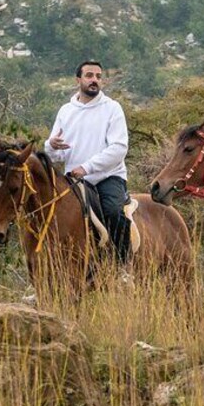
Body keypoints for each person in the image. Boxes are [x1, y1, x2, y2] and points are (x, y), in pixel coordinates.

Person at [45, 60, 131, 263]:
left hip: (107, 178)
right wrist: (51, 145)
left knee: (113, 212)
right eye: (90, 76)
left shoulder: (112, 108)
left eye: (98, 77)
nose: (95, 80)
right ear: (78, 80)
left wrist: (87, 167)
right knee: (51, 219)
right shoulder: (66, 111)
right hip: (74, 181)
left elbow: (119, 148)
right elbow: (54, 155)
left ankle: (122, 266)